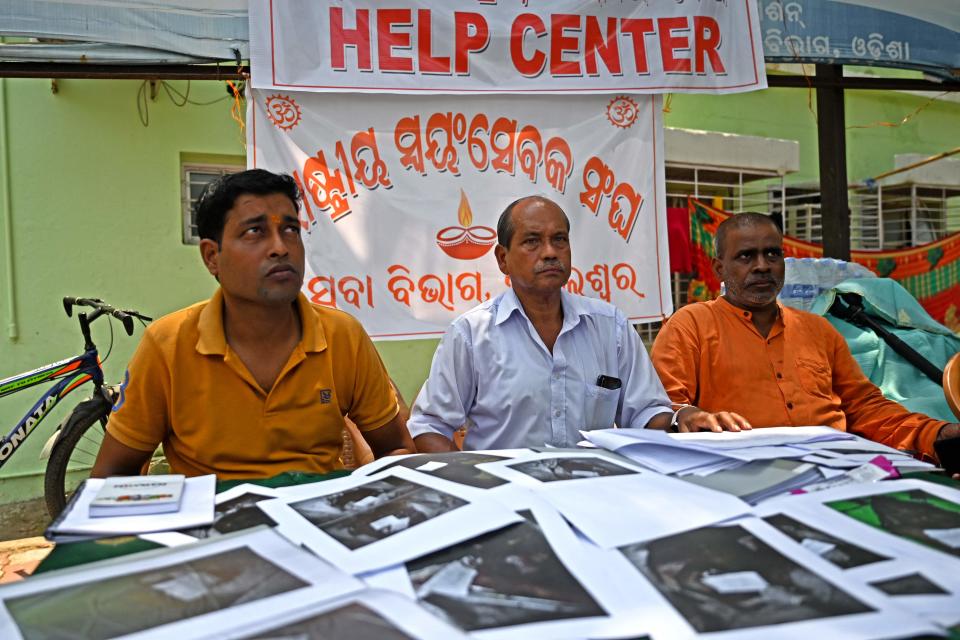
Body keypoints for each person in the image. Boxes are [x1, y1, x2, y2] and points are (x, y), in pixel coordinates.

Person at [91, 169, 413, 479]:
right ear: (211, 257)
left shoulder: (343, 335)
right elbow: (112, 476)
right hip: (212, 528)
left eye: (290, 230)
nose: (281, 247)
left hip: (316, 522)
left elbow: (396, 447)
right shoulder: (167, 345)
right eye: (255, 232)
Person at [407, 196, 750, 453]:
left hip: (595, 496)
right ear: (502, 258)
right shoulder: (472, 334)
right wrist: (476, 486)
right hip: (507, 501)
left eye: (559, 239)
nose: (550, 252)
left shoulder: (609, 326)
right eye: (531, 241)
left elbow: (646, 414)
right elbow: (429, 425)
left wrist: (683, 418)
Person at [651, 212, 959, 461]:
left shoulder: (818, 330)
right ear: (720, 268)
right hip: (739, 471)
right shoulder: (689, 325)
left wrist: (937, 433)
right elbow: (664, 409)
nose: (762, 266)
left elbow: (866, 408)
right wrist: (686, 415)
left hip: (838, 465)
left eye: (772, 254)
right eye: (746, 256)